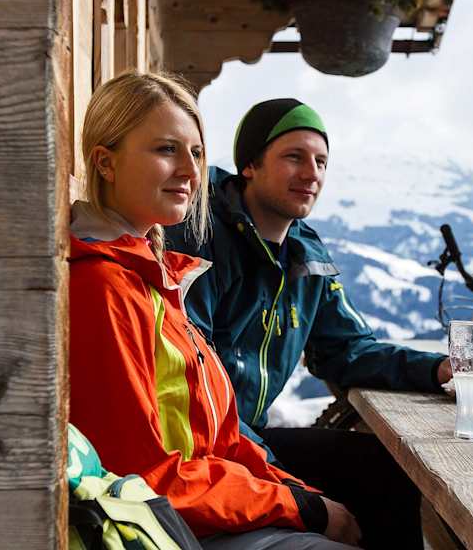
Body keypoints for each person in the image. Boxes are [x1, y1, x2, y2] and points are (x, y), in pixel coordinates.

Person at [69, 74, 360, 549]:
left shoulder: (153, 274)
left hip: (205, 506)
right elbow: (140, 478)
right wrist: (297, 507)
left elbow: (219, 439)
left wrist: (299, 496)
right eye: (166, 150)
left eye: (197, 153)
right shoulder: (104, 287)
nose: (190, 170)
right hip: (174, 528)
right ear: (106, 163)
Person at [167, 98, 453, 549]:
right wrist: (280, 483)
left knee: (386, 470)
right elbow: (191, 383)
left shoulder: (306, 256)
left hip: (248, 437)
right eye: (293, 157)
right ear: (251, 166)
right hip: (203, 447)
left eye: (321, 161)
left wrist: (439, 369)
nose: (311, 173)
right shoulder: (201, 239)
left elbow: (348, 351)